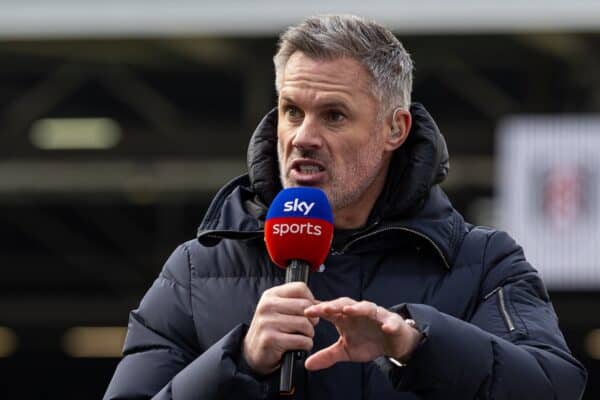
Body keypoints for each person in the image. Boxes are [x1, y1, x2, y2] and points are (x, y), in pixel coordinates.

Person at [104, 14, 587, 400]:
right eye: (292, 111)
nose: (303, 137)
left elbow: (554, 386)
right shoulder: (196, 269)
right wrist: (240, 361)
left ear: (394, 130)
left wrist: (415, 345)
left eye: (333, 116)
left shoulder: (483, 264)